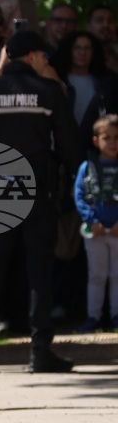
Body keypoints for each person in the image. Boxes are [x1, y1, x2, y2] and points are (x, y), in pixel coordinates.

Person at [0, 31, 81, 373]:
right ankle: (39, 352)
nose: (46, 61)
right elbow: (70, 147)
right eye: (43, 56)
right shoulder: (48, 92)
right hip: (37, 192)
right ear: (31, 56)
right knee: (38, 272)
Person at [74, 114, 118, 333]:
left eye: (116, 138)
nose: (112, 143)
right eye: (106, 137)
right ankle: (94, 317)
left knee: (117, 275)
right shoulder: (86, 167)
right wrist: (92, 220)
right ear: (96, 140)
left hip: (117, 231)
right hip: (96, 232)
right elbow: (79, 196)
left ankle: (116, 316)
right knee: (97, 276)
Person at [50, 31, 113, 153]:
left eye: (87, 48)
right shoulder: (57, 80)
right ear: (69, 50)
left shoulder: (106, 83)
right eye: (77, 48)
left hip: (94, 147)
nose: (82, 52)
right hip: (62, 146)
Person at [87, 5, 118, 75]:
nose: (106, 25)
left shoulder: (115, 54)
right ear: (89, 27)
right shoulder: (82, 58)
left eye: (110, 21)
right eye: (99, 20)